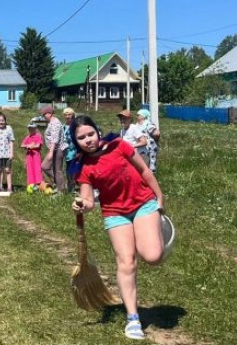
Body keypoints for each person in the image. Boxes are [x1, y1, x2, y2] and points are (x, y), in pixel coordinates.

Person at [70, 115, 166, 341]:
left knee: (152, 256)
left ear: (98, 131)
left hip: (143, 203)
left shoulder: (119, 146)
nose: (88, 140)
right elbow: (90, 200)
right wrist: (82, 204)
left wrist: (160, 198)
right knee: (126, 262)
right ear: (76, 142)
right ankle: (133, 318)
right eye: (81, 138)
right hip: (115, 213)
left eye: (90, 134)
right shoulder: (84, 166)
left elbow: (144, 171)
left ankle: (159, 234)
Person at [39, 106, 65, 193]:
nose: (43, 117)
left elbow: (55, 139)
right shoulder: (51, 122)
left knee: (57, 170)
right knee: (45, 167)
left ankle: (60, 190)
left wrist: (50, 152)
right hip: (54, 149)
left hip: (58, 149)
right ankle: (58, 184)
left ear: (49, 113)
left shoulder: (55, 123)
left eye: (44, 115)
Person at [0, 111, 15, 192]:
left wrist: (11, 153)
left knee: (8, 170)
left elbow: (11, 141)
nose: (1, 122)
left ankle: (9, 188)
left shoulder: (9, 128)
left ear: (5, 120)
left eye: (2, 120)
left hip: (7, 154)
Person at [136, 109, 160, 173]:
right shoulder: (137, 125)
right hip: (140, 148)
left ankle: (151, 176)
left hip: (149, 147)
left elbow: (156, 133)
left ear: (144, 116)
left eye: (139, 115)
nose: (137, 116)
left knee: (151, 162)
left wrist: (152, 139)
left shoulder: (148, 123)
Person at [21, 123, 43, 190]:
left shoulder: (38, 136)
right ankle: (31, 184)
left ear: (35, 129)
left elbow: (38, 145)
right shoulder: (27, 137)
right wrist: (28, 146)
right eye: (29, 128)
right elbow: (22, 145)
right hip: (29, 156)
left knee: (37, 169)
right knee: (30, 169)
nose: (31, 129)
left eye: (32, 128)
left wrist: (31, 146)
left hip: (36, 155)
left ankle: (39, 184)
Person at [62, 108, 79, 192]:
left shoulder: (75, 126)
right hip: (66, 151)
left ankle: (73, 187)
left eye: (69, 114)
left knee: (73, 170)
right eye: (65, 115)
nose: (67, 116)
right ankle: (70, 187)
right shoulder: (63, 126)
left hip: (74, 151)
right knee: (68, 169)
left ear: (72, 115)